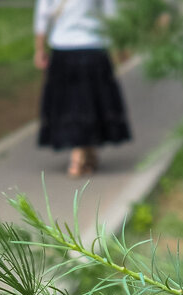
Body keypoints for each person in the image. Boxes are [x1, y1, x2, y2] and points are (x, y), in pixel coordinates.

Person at [34, 0, 132, 177]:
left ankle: (84, 152)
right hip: (93, 47)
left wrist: (39, 48)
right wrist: (121, 46)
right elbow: (112, 14)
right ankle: (79, 155)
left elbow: (42, 15)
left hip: (63, 48)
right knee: (90, 103)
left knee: (72, 104)